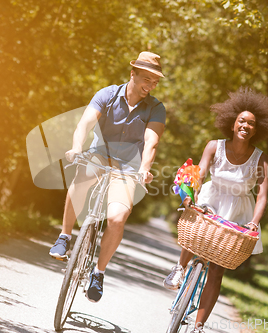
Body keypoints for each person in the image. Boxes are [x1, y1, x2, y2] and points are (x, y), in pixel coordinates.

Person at [49, 51, 166, 303]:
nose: (150, 85)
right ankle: (65, 236)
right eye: (146, 78)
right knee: (83, 175)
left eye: (155, 82)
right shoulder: (107, 94)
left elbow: (151, 142)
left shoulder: (156, 108)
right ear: (132, 73)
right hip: (99, 155)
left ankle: (98, 273)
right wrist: (77, 147)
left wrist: (145, 167)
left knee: (116, 218)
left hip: (128, 167)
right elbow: (85, 124)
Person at [163, 87, 268, 333]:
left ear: (258, 130)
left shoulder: (261, 159)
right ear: (232, 123)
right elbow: (201, 172)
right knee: (195, 232)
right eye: (241, 121)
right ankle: (180, 268)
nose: (245, 126)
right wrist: (189, 194)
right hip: (210, 198)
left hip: (238, 211)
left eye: (251, 124)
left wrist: (254, 223)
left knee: (216, 270)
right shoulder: (215, 146)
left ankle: (198, 327)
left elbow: (263, 195)